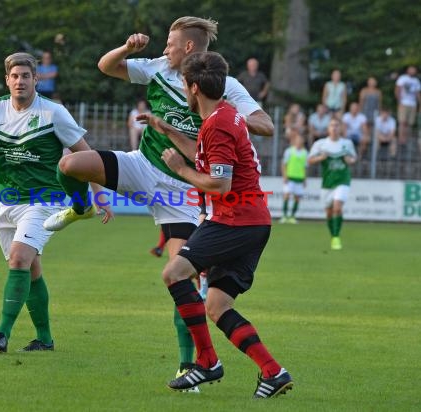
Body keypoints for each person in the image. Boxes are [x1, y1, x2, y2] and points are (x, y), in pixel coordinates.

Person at [42, 16, 275, 389]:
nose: (164, 46)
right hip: (144, 165)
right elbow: (106, 66)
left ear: (189, 48)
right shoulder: (157, 68)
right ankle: (80, 206)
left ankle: (191, 365)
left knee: (180, 278)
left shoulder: (225, 87)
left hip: (182, 188)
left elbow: (266, 125)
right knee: (70, 164)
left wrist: (227, 117)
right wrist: (127, 48)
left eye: (170, 40)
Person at [0, 52, 112, 354]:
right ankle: (44, 339)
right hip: (9, 203)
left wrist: (99, 192)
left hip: (46, 200)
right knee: (30, 270)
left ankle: (1, 334)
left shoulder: (53, 113)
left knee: (18, 258)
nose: (20, 81)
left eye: (25, 76)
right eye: (14, 76)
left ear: (35, 80)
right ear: (7, 80)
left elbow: (84, 152)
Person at [138, 51, 293, 397]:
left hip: (234, 220)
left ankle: (207, 363)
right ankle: (273, 372)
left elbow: (219, 183)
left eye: (182, 84)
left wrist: (180, 170)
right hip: (249, 221)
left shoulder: (218, 124)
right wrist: (168, 131)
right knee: (217, 306)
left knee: (173, 274)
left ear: (193, 87)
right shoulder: (225, 115)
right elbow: (208, 157)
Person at [308, 117, 357, 250]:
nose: (334, 128)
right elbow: (310, 160)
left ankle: (336, 237)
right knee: (329, 213)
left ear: (341, 128)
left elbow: (354, 158)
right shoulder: (320, 144)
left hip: (343, 180)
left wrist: (349, 160)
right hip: (327, 183)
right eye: (332, 125)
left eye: (337, 125)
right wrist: (321, 158)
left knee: (337, 207)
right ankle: (333, 235)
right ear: (328, 128)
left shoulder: (347, 143)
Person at [280, 133, 307, 223]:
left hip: (299, 178)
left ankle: (292, 217)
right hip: (290, 177)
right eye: (298, 140)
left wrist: (305, 179)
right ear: (295, 141)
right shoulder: (289, 151)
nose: (299, 142)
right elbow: (284, 164)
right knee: (286, 196)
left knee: (297, 198)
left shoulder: (305, 152)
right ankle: (284, 216)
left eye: (301, 140)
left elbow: (305, 167)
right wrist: (285, 176)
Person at [395, 66, 421, 148]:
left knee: (410, 123)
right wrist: (399, 101)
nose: (412, 71)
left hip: (412, 104)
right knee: (402, 122)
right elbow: (397, 90)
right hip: (404, 103)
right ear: (408, 71)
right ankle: (401, 139)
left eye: (414, 70)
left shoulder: (416, 81)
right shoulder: (402, 78)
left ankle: (406, 139)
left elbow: (417, 93)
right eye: (411, 70)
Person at [358, 76, 382, 144]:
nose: (372, 83)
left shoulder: (378, 92)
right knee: (365, 128)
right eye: (370, 81)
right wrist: (360, 113)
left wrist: (379, 113)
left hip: (374, 112)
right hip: (365, 111)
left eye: (373, 81)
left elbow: (379, 104)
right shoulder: (364, 91)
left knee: (373, 129)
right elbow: (361, 102)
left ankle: (371, 143)